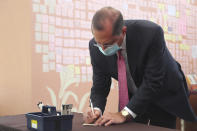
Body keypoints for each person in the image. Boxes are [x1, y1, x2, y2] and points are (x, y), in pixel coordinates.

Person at [83, 7, 197, 129]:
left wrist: (123, 114)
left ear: (123, 31)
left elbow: (153, 82)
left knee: (160, 127)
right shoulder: (95, 46)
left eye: (108, 44)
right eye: (99, 42)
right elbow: (100, 84)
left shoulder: (151, 33)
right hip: (136, 95)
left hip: (163, 91)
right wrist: (96, 109)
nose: (103, 49)